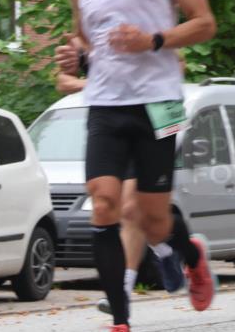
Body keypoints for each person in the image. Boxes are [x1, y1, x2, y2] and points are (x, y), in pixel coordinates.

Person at [54, 0, 217, 332]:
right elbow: (87, 42)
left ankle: (190, 256)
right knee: (103, 205)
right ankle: (120, 326)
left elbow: (205, 23)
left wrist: (155, 40)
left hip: (160, 103)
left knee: (151, 219)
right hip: (105, 104)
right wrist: (73, 59)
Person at [55, 61, 189, 317]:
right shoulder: (89, 35)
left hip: (154, 123)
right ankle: (163, 254)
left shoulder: (146, 25)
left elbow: (178, 66)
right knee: (117, 208)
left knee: (131, 208)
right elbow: (63, 81)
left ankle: (134, 280)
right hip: (112, 126)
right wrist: (103, 87)